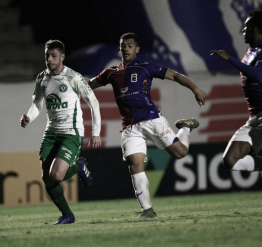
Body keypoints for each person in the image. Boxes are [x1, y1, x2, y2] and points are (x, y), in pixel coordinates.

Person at [87, 32, 206, 219]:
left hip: (152, 120)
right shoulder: (111, 73)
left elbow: (174, 75)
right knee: (135, 163)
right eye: (123, 45)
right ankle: (147, 211)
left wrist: (196, 89)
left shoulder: (145, 67)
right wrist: (69, 82)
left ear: (136, 49)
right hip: (130, 128)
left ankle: (186, 128)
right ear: (119, 49)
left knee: (181, 153)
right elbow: (90, 85)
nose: (126, 48)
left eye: (130, 45)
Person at [20, 40, 102, 225]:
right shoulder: (41, 78)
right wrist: (28, 117)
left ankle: (79, 166)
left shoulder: (73, 77)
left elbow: (93, 101)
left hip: (71, 133)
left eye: (53, 56)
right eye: (47, 55)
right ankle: (67, 215)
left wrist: (95, 132)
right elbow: (37, 104)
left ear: (62, 57)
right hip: (51, 133)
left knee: (56, 175)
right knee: (47, 179)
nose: (49, 59)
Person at [210, 9, 262, 172]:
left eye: (247, 25)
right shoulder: (253, 50)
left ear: (255, 28)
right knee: (231, 160)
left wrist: (230, 59)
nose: (243, 29)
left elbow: (259, 75)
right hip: (257, 117)